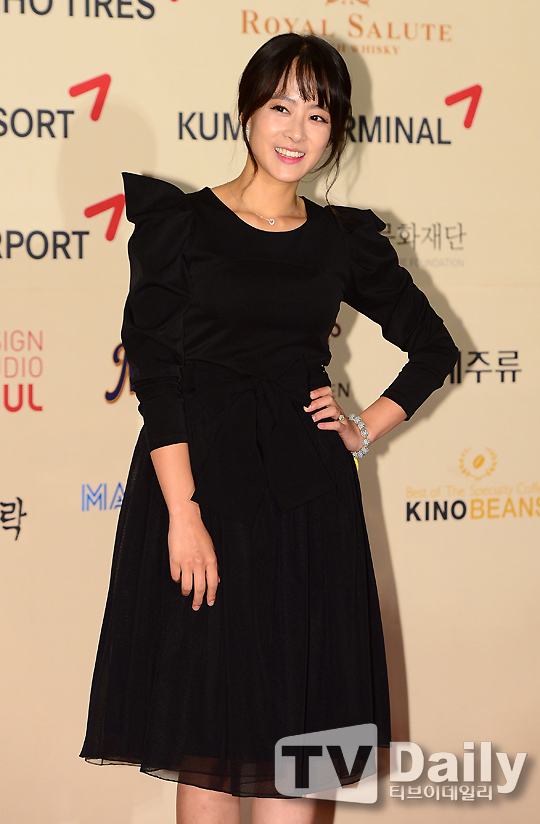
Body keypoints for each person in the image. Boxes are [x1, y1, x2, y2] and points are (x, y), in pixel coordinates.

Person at [79, 32, 458, 824]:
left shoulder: (342, 239)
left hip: (306, 503)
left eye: (317, 116)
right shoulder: (180, 224)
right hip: (201, 491)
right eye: (281, 107)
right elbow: (158, 377)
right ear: (248, 112)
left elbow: (433, 348)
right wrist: (183, 513)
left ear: (336, 131)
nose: (296, 131)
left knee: (299, 739)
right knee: (208, 738)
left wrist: (364, 426)